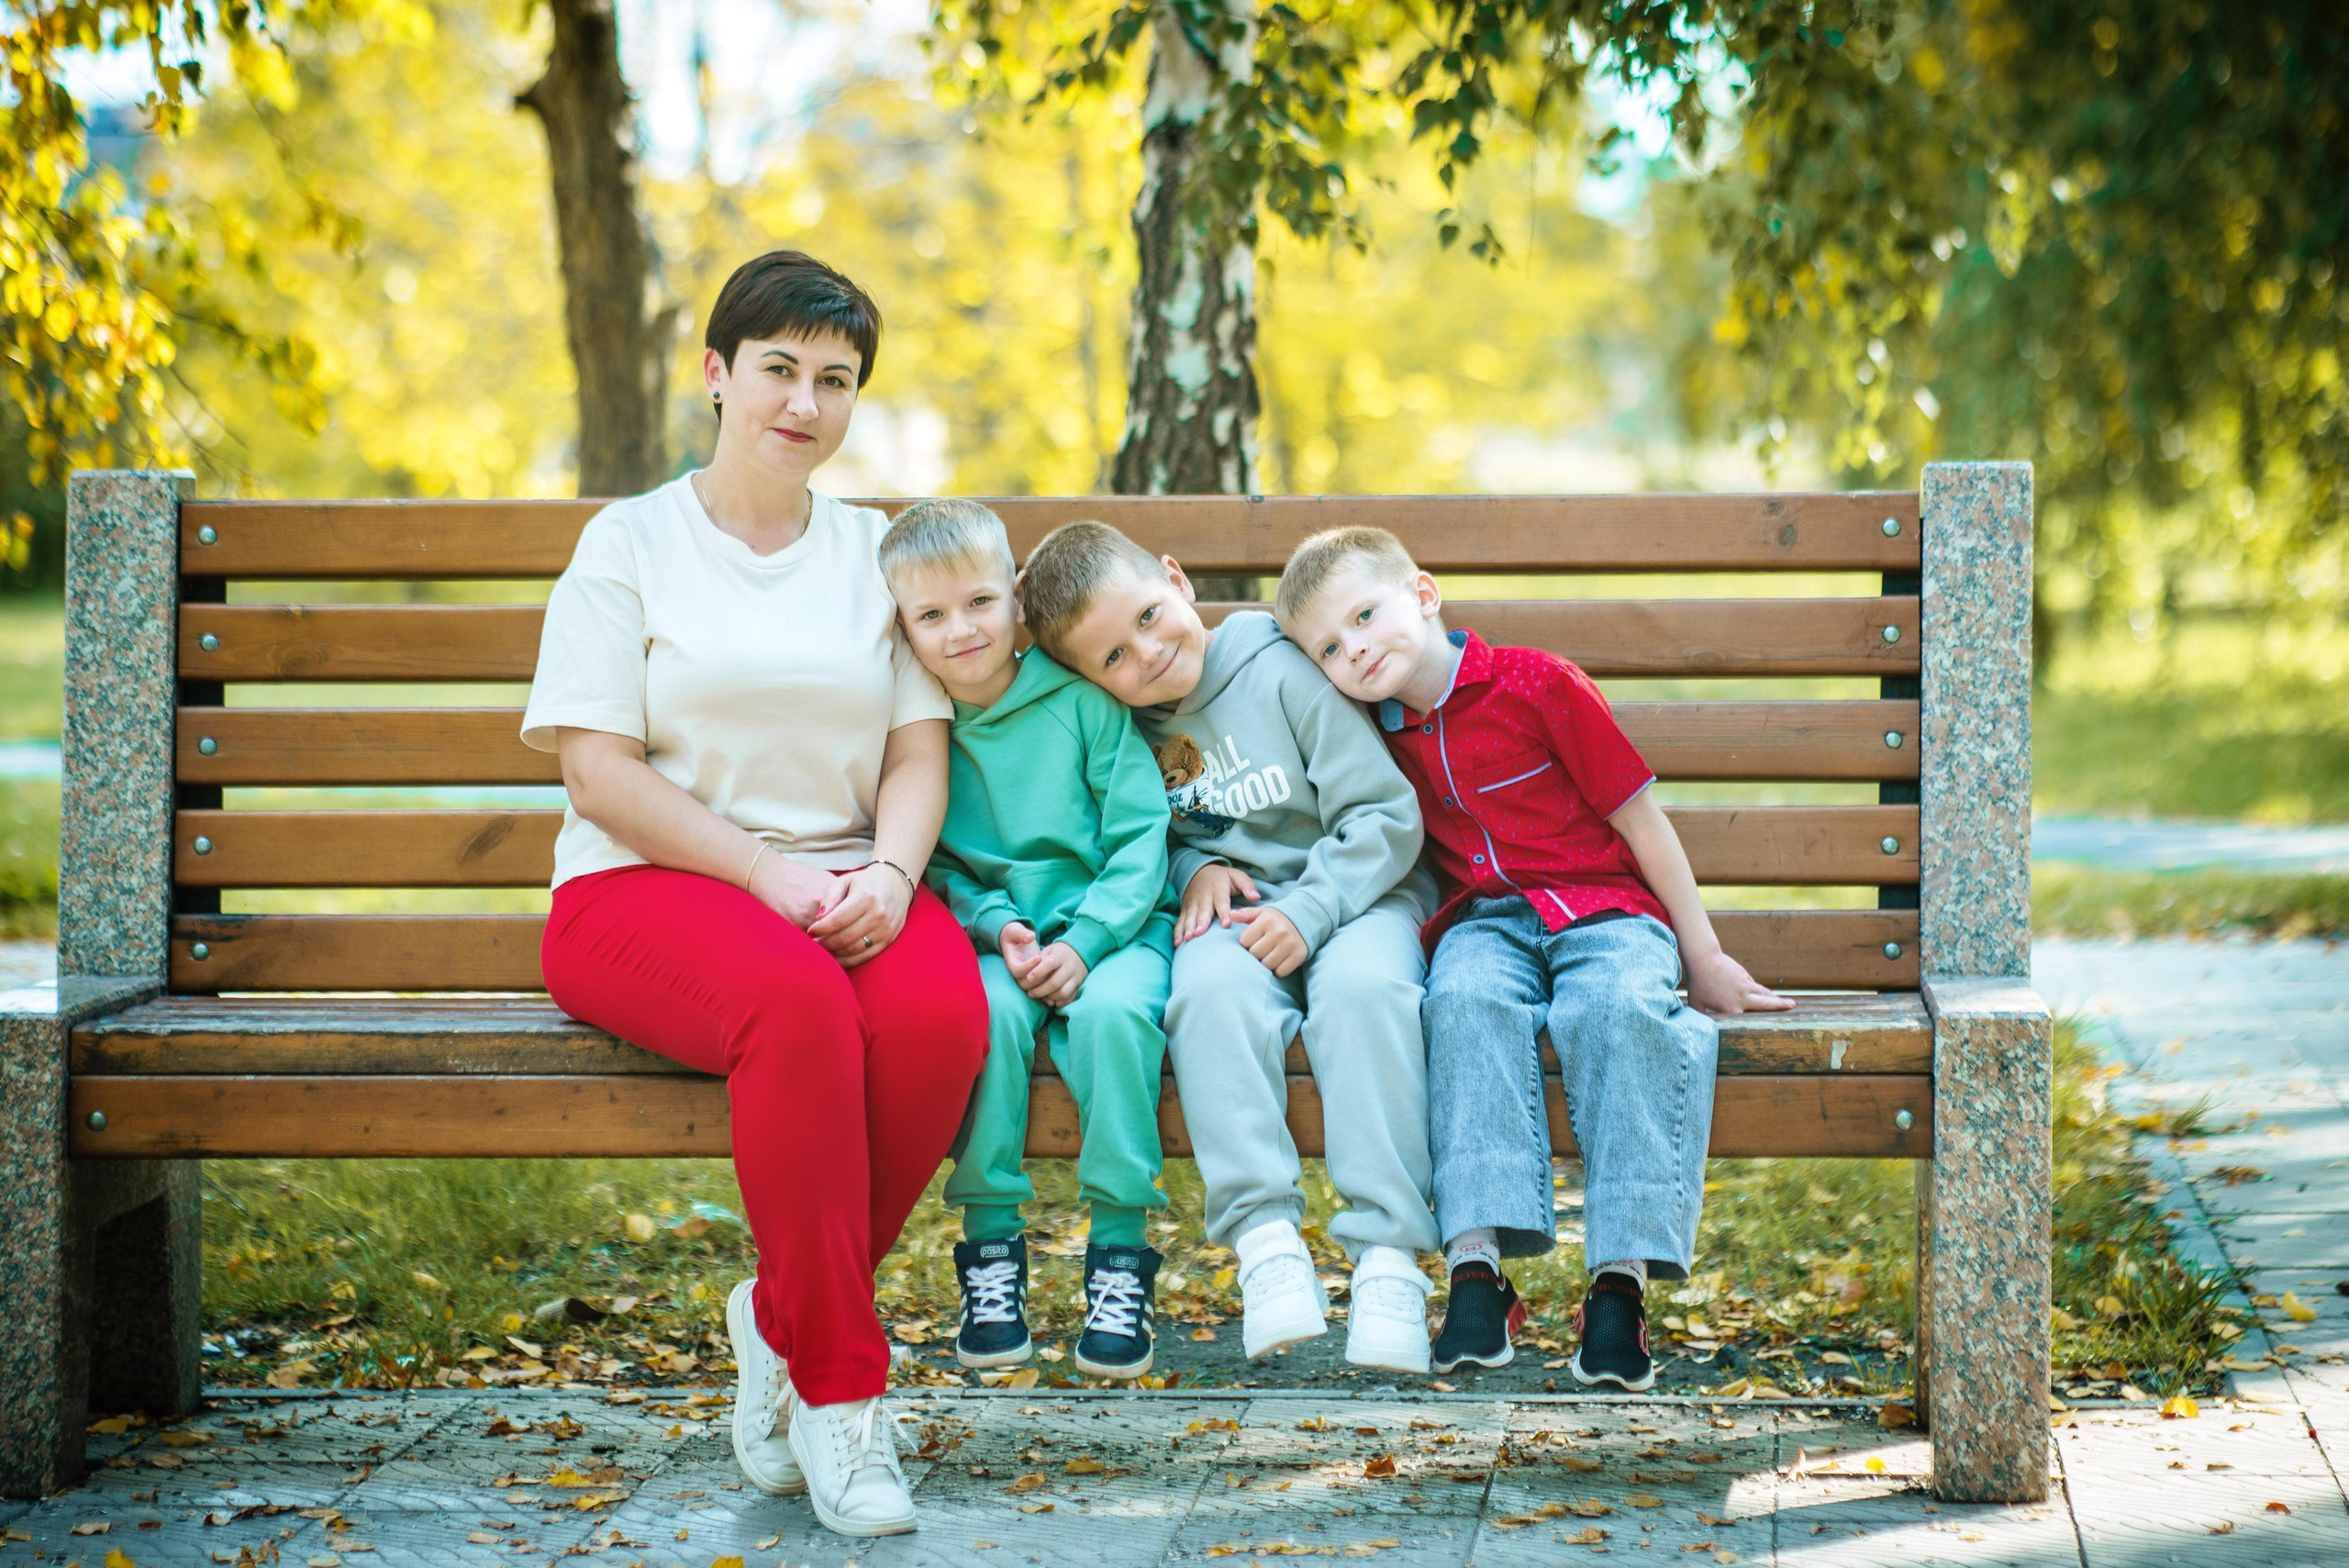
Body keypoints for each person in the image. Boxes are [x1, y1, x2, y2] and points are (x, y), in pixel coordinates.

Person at [520, 251, 987, 1539]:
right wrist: (770, 875)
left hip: (847, 878)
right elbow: (598, 772)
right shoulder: (630, 542)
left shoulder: (871, 551)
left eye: (834, 380)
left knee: (944, 1018)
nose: (805, 402)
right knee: (797, 1009)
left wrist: (892, 872)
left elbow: (915, 749)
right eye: (779, 369)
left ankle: (778, 1313)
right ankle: (840, 1403)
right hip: (647, 890)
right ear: (718, 374)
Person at [1274, 525, 1793, 1389]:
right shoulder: (1371, 731)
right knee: (1462, 1000)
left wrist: (1701, 952)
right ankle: (1476, 1271)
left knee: (1619, 1011)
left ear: (1425, 594)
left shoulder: (1537, 683)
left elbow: (1639, 820)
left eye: (1366, 615)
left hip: (1608, 911)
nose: (1356, 648)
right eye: (1329, 645)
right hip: (1489, 922)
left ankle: (1619, 1285)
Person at [1019, 520, 1443, 1374]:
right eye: (1110, 658)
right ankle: (1267, 1244)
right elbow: (1142, 836)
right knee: (1206, 992)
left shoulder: (1279, 666)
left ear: (1175, 579)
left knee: (1364, 995)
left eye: (1146, 616)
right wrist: (1196, 865)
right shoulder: (1133, 731)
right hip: (1244, 912)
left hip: (1358, 894)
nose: (1143, 655)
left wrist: (1317, 907)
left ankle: (1389, 1261)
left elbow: (1385, 815)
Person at [876, 499, 1178, 1381]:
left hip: (1115, 935)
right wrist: (994, 923)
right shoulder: (920, 732)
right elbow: (928, 861)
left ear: (1014, 597)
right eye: (929, 616)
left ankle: (1120, 1254)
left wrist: (1085, 943)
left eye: (977, 602)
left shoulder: (1080, 705)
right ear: (902, 626)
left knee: (1119, 1019)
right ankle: (991, 1257)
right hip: (999, 943)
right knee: (988, 1021)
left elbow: (1139, 835)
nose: (959, 630)